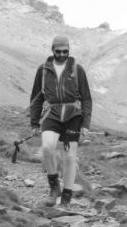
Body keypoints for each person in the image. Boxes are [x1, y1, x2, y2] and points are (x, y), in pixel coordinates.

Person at [29, 34, 92, 209]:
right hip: (52, 113)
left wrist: (86, 124)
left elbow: (86, 98)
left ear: (69, 51)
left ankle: (66, 198)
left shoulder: (77, 70)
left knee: (70, 157)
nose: (62, 54)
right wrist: (34, 122)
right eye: (59, 51)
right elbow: (36, 97)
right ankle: (54, 187)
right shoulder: (43, 70)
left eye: (65, 51)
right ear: (53, 50)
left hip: (73, 115)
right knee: (48, 148)